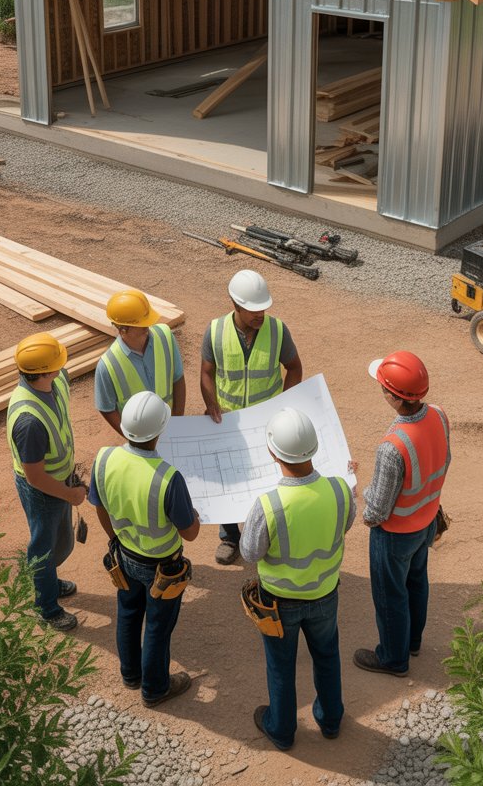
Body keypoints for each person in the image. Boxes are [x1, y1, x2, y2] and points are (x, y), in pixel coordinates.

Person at [240, 407, 355, 752]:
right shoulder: (339, 489)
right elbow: (345, 524)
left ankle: (282, 729)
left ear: (273, 453)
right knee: (327, 655)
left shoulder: (269, 504)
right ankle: (331, 719)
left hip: (279, 602)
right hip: (325, 594)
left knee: (280, 664)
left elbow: (249, 553)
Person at [89, 390, 200, 706]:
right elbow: (189, 533)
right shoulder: (168, 478)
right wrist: (194, 516)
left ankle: (131, 674)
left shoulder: (104, 459)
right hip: (162, 566)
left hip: (123, 555)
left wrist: (114, 539)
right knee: (157, 626)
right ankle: (154, 689)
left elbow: (99, 505)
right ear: (160, 431)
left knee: (128, 612)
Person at [353, 351, 451, 677]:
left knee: (390, 595)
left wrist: (359, 498)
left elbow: (377, 511)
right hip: (426, 520)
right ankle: (412, 642)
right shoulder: (438, 415)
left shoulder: (393, 446)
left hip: (395, 534)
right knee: (416, 581)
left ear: (393, 398)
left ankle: (393, 658)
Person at [201, 269, 303, 564]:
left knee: (267, 483)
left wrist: (285, 402)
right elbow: (206, 373)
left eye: (263, 308)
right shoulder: (215, 331)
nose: (260, 314)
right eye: (253, 309)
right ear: (235, 304)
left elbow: (294, 368)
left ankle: (266, 537)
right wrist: (211, 403)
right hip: (228, 422)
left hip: (266, 424)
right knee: (229, 480)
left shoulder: (278, 331)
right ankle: (230, 537)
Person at [6, 331, 88, 632]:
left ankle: (48, 582)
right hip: (43, 489)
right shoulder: (29, 421)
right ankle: (47, 607)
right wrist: (70, 494)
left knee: (60, 541)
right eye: (58, 362)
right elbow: (35, 476)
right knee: (43, 546)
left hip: (60, 480)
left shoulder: (55, 379)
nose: (62, 367)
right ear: (46, 371)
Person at [95, 288, 186, 435]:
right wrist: (133, 438)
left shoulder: (165, 336)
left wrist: (177, 420)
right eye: (141, 324)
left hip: (170, 425)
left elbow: (178, 378)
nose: (147, 327)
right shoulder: (108, 366)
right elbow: (107, 408)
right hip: (141, 436)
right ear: (123, 329)